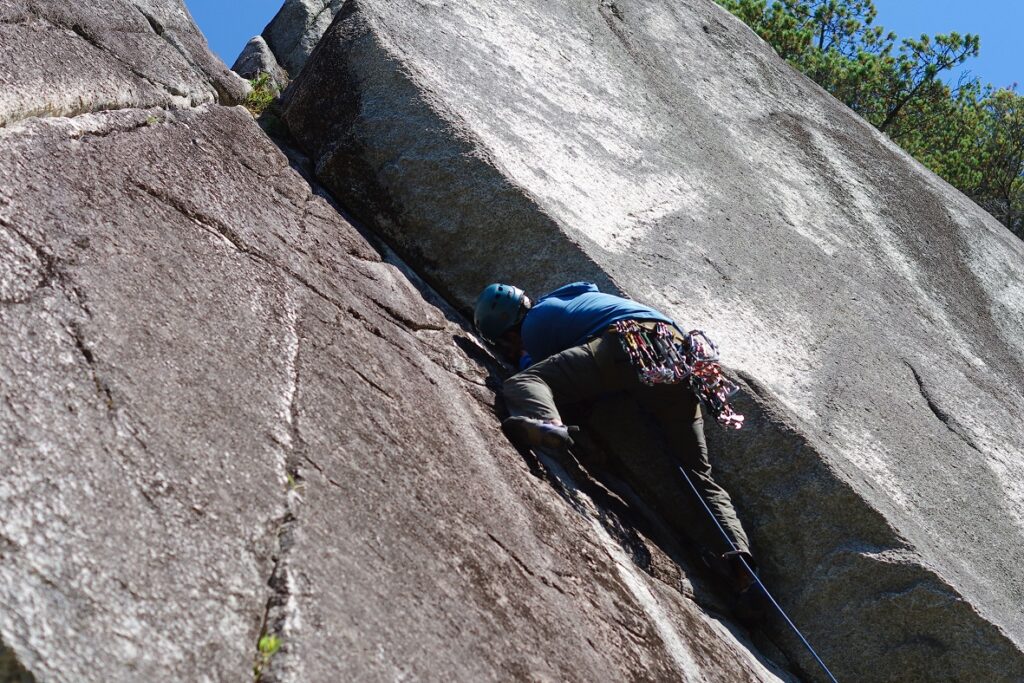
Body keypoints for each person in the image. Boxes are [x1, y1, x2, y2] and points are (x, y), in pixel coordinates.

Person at [474, 281, 756, 594]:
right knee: (698, 473)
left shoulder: (537, 322)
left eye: (507, 345)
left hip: (629, 345)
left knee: (524, 382)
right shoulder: (573, 298)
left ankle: (548, 423)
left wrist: (522, 360)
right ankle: (739, 557)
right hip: (679, 359)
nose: (511, 350)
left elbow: (546, 370)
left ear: (509, 331)